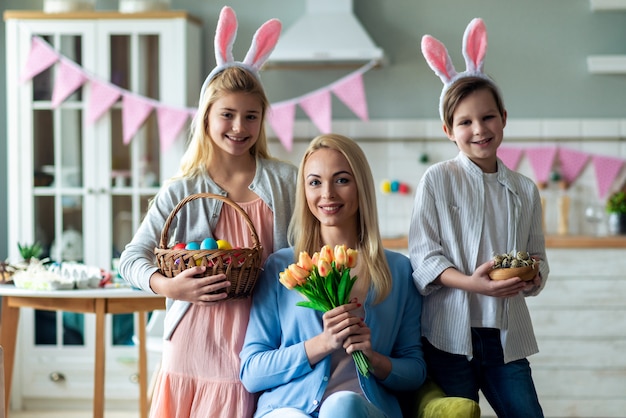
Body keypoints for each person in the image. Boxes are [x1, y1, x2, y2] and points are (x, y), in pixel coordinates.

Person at [118, 7, 296, 418]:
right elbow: (131, 258)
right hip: (192, 342)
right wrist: (169, 287)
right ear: (206, 117)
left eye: (251, 116)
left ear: (262, 119)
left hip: (259, 339)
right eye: (227, 115)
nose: (239, 126)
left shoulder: (286, 181)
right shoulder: (182, 190)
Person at [409, 18, 549, 418]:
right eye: (465, 122)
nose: (479, 129)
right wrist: (472, 284)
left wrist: (535, 276)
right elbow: (424, 257)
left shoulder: (524, 189)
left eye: (487, 117)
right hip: (449, 334)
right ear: (448, 130)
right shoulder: (437, 179)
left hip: (505, 336)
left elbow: (536, 255)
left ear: (503, 117)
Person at [240, 133, 427, 418]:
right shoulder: (281, 267)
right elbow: (251, 372)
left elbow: (415, 372)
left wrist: (373, 358)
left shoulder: (399, 271)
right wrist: (321, 344)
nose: (327, 194)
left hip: (361, 408)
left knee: (342, 405)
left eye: (341, 180)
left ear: (360, 186)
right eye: (315, 182)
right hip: (287, 407)